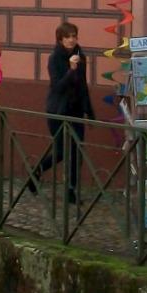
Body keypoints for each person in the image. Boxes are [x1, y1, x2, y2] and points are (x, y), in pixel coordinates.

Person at [31, 22, 94, 203]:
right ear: (60, 39)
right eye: (67, 37)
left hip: (76, 111)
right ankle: (35, 172)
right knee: (61, 152)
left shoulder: (80, 56)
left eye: (74, 36)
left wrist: (89, 110)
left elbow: (82, 86)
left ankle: (71, 192)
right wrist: (71, 70)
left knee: (76, 152)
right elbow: (58, 87)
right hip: (58, 110)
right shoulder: (54, 58)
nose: (71, 40)